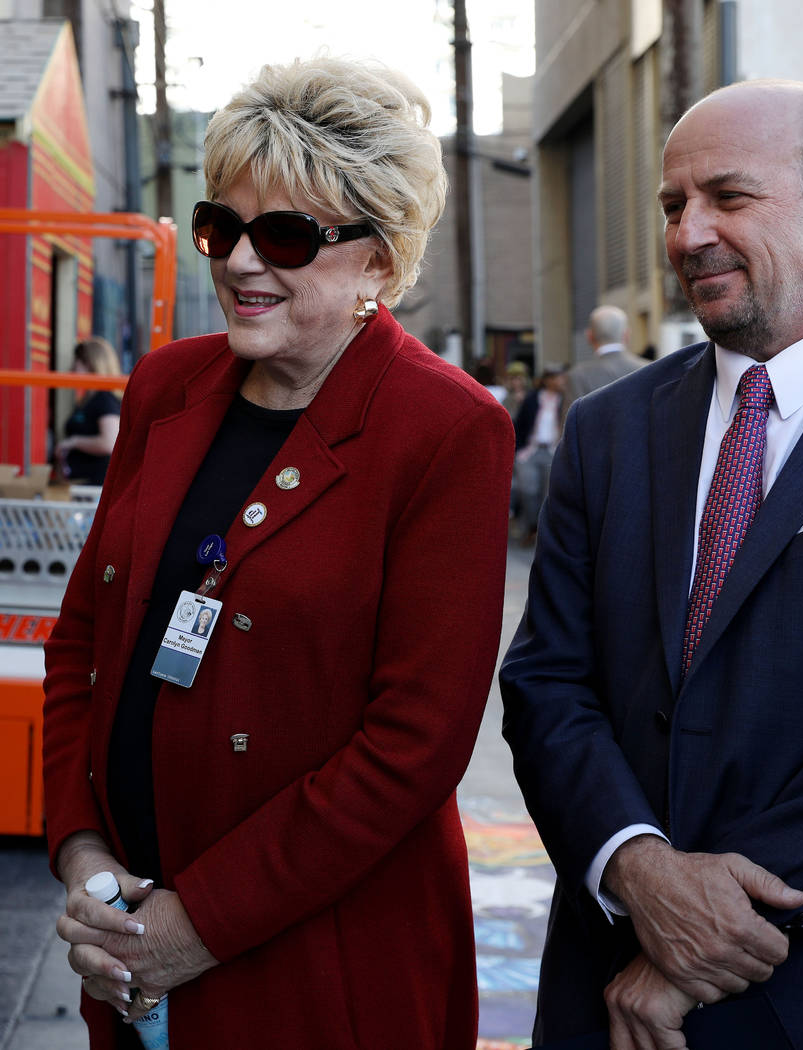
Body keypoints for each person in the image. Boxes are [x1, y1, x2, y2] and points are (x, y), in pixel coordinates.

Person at [500, 78, 803, 1050]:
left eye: (727, 198)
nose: (687, 234)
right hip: (609, 992)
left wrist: (697, 937)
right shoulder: (607, 432)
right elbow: (546, 682)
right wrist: (638, 872)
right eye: (671, 205)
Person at [43, 56, 514, 1050]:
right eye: (222, 226)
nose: (241, 261)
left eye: (287, 235)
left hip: (322, 971)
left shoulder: (444, 427)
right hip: (125, 953)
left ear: (379, 262)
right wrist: (81, 852)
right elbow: (82, 639)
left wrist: (196, 925)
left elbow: (413, 745)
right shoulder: (167, 387)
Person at [562, 305, 647, 425]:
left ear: (589, 336)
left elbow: (568, 431)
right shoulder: (647, 368)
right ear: (627, 334)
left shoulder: (577, 376)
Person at [56, 337, 123, 485]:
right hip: (83, 484)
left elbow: (109, 442)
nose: (72, 369)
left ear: (90, 364)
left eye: (77, 363)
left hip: (94, 488)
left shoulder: (104, 398)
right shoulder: (88, 399)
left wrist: (73, 442)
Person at [512, 365, 565, 544]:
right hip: (530, 451)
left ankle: (542, 534)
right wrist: (517, 449)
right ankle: (532, 526)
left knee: (548, 494)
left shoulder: (565, 399)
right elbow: (519, 424)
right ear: (547, 380)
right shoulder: (533, 398)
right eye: (557, 378)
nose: (560, 381)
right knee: (528, 490)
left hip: (554, 451)